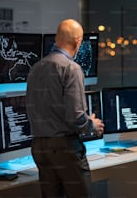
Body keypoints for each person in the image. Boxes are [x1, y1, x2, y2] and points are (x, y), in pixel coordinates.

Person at [26, 19, 104, 198]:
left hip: (39, 147)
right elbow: (75, 116)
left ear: (57, 38)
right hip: (64, 148)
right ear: (78, 42)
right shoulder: (71, 68)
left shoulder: (36, 68)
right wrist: (92, 125)